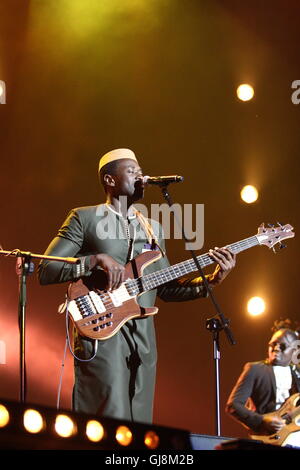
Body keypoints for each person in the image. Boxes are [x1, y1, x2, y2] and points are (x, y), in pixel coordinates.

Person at [38, 148, 236, 423]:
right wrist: (95, 260)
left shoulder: (154, 228)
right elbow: (47, 269)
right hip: (102, 328)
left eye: (141, 171)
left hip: (142, 336)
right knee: (109, 414)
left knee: (140, 421)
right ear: (109, 180)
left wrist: (212, 279)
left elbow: (165, 288)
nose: (141, 176)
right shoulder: (85, 218)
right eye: (132, 171)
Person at [226, 319, 300, 442]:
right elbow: (233, 405)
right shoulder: (255, 369)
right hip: (265, 437)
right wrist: (261, 421)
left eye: (283, 346)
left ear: (294, 351)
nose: (276, 348)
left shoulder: (297, 372)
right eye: (273, 344)